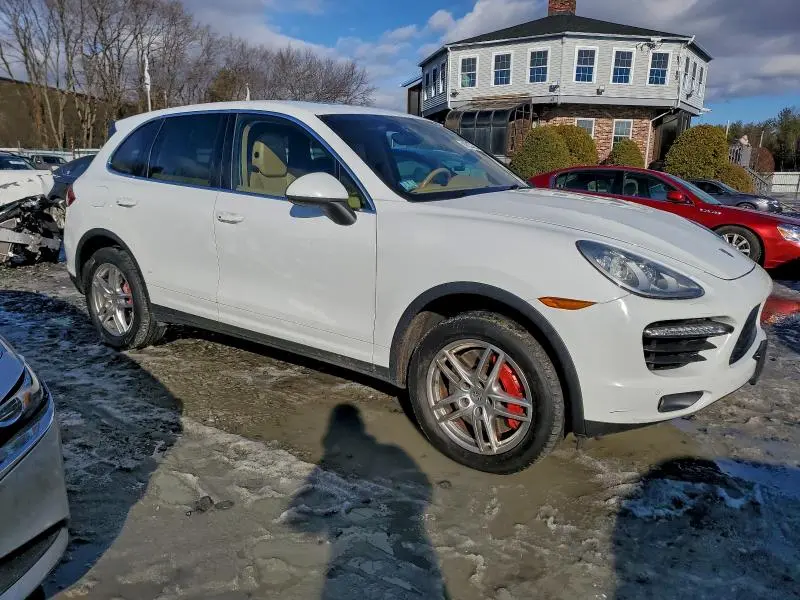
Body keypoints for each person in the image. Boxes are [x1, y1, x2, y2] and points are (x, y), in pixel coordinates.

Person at [286, 403, 449, 599]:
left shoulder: (330, 465)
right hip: (404, 539)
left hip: (367, 548)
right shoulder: (395, 453)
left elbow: (301, 522)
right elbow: (424, 490)